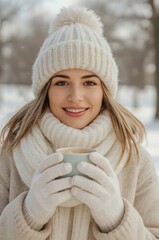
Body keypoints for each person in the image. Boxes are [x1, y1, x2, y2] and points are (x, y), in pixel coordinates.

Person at [0, 6, 159, 240]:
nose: (75, 96)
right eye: (62, 83)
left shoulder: (135, 160)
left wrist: (116, 218)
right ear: (46, 90)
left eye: (89, 83)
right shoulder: (10, 156)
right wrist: (28, 215)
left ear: (105, 91)